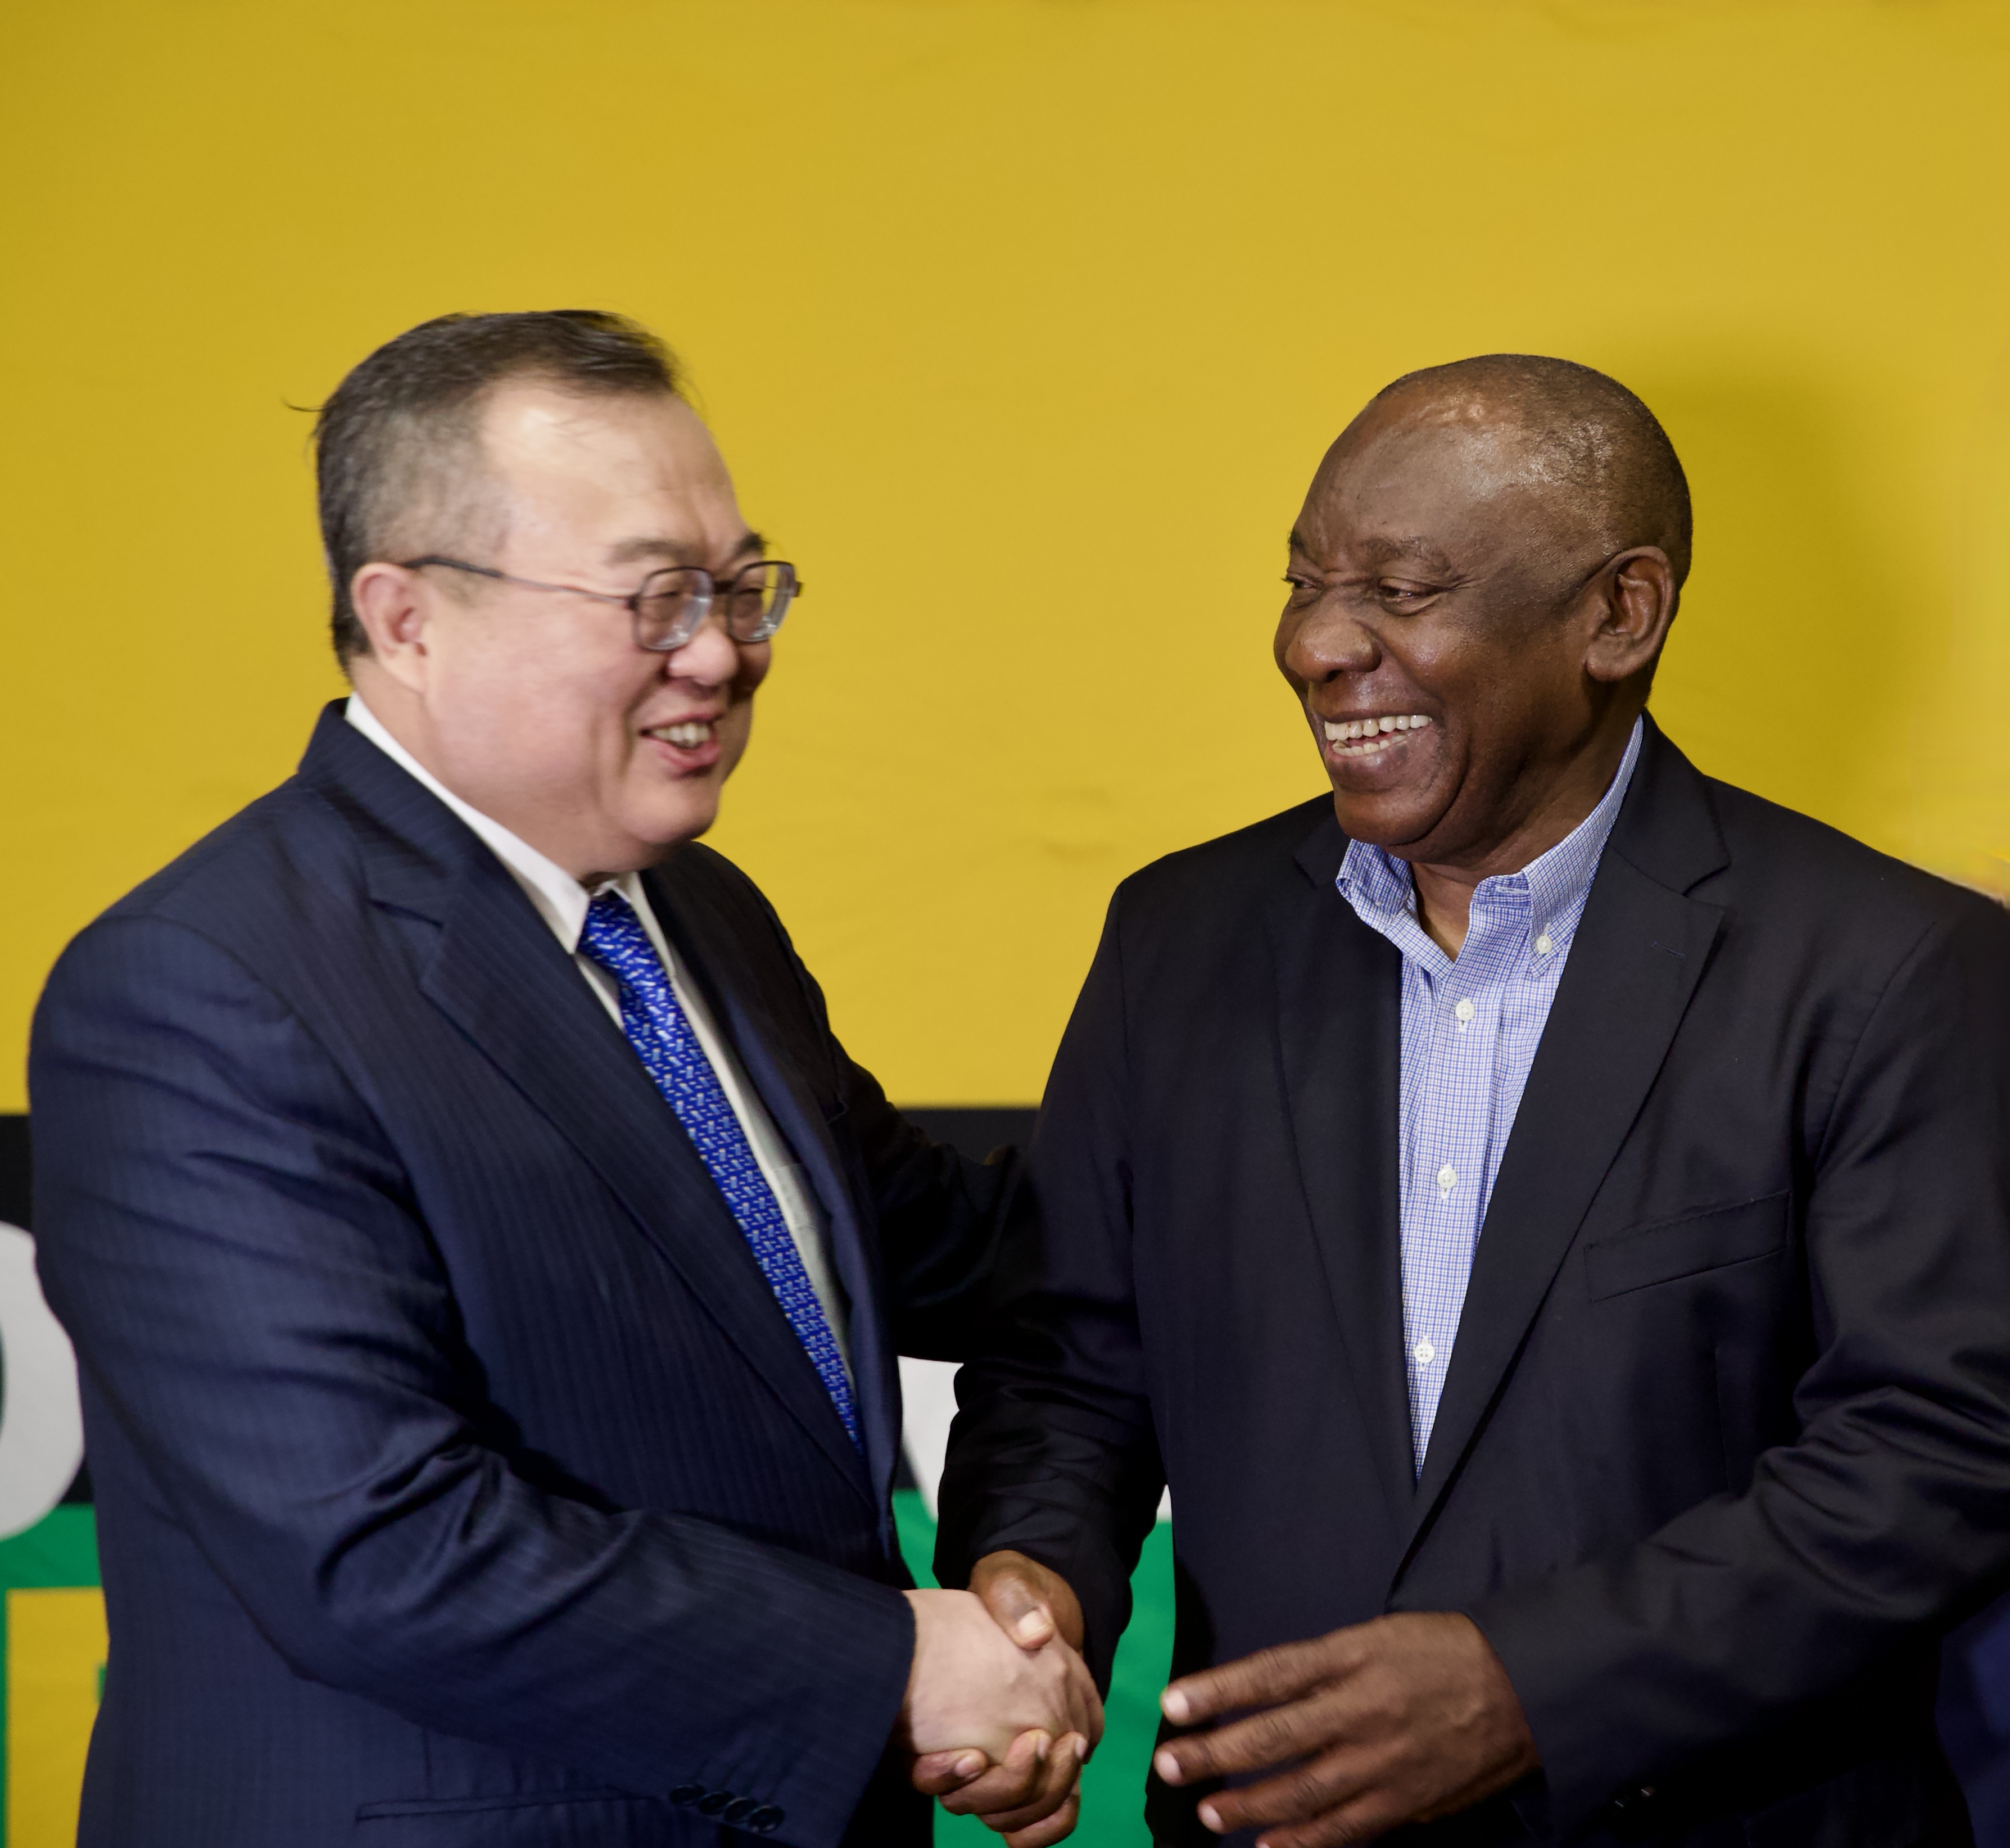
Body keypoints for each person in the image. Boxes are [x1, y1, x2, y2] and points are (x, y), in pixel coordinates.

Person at [29, 310, 1096, 1848]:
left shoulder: (698, 917)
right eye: (655, 596)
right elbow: (380, 1550)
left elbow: (955, 1250)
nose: (723, 651)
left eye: (741, 587)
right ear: (407, 622)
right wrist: (894, 1667)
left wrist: (1293, 1124)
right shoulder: (202, 990)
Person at [936, 355, 2010, 1846]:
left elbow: (1939, 1454)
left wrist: (1534, 1689)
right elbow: (1071, 1367)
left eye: (1400, 591)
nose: (1317, 642)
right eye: (1306, 581)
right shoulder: (1178, 942)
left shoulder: (1890, 971)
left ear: (1617, 616)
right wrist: (1036, 1588)